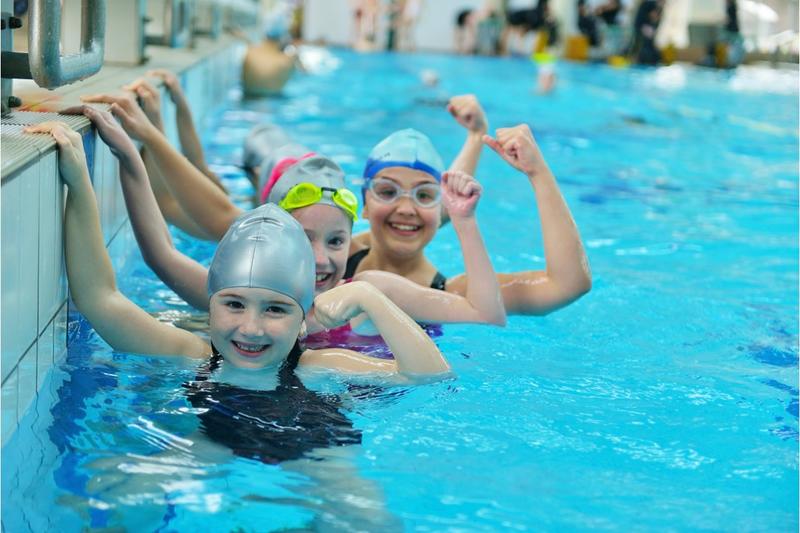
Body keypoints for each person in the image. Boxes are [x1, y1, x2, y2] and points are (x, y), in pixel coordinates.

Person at [348, 120, 592, 316]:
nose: (406, 209)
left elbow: (567, 285)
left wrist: (537, 172)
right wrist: (475, 136)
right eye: (388, 192)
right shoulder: (335, 257)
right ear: (365, 205)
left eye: (424, 195)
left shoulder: (460, 295)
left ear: (438, 210)